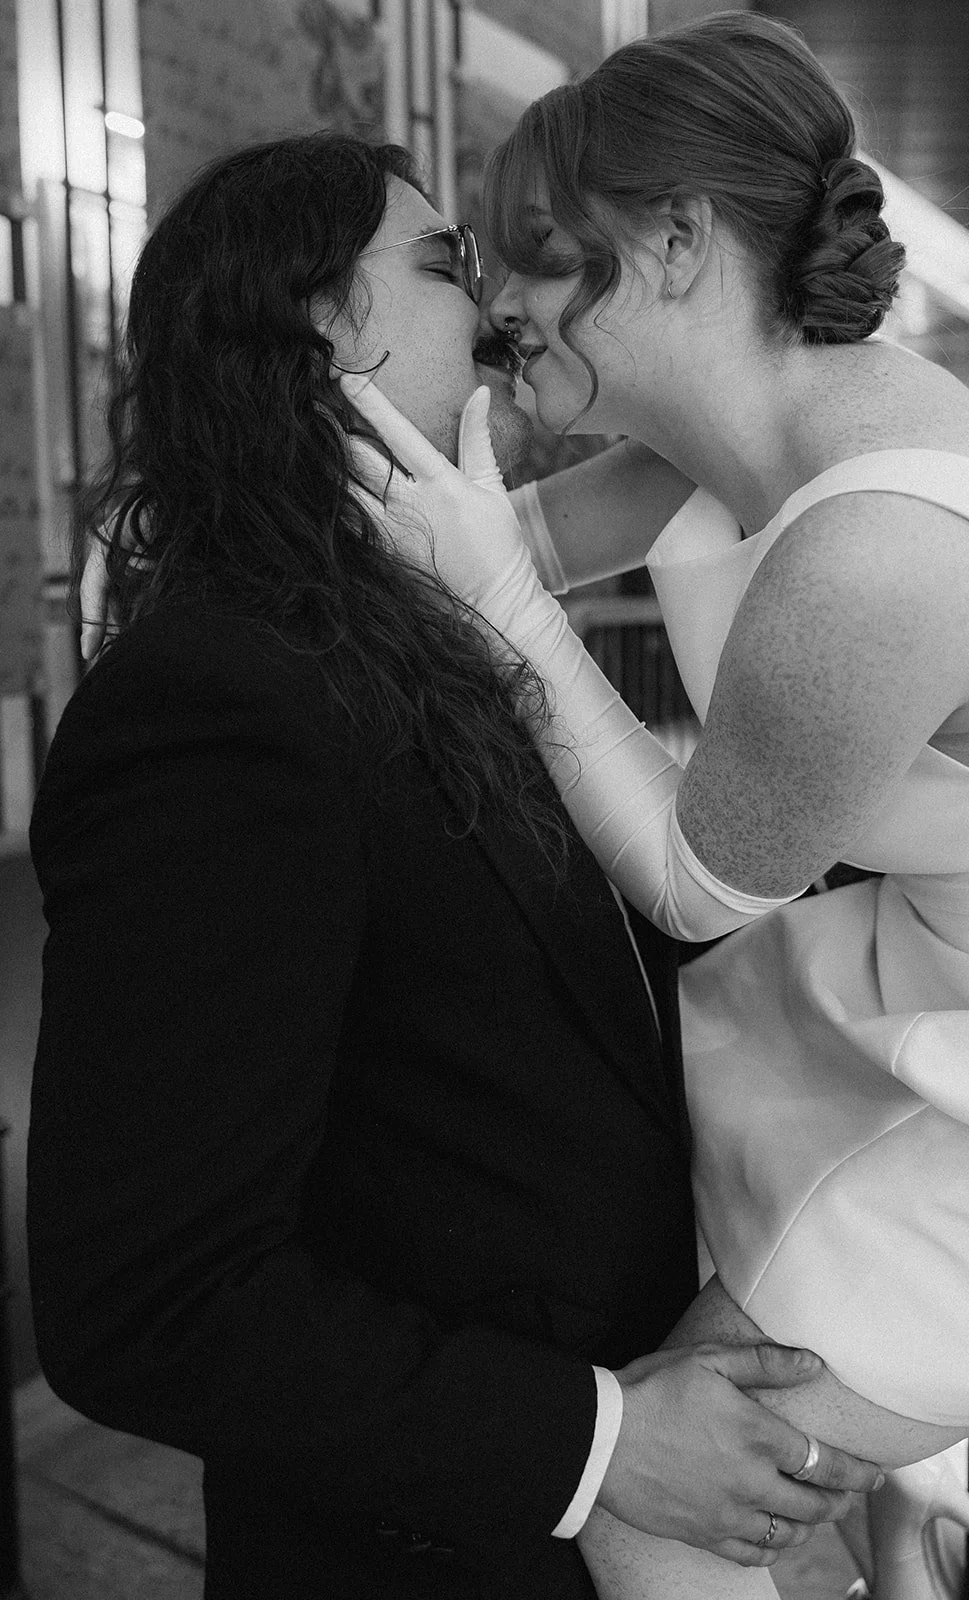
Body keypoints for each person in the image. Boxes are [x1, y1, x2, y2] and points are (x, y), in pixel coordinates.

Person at [26, 130, 882, 1600]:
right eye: (441, 268)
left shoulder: (415, 621)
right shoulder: (218, 699)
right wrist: (599, 1444)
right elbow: (146, 1303)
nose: (490, 320)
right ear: (308, 332)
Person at [339, 12, 969, 1600]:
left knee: (655, 1503)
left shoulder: (875, 549)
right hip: (951, 971)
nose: (504, 311)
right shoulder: (743, 436)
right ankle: (909, 1503)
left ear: (674, 238)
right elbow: (479, 549)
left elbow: (691, 884)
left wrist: (483, 577)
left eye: (531, 258)